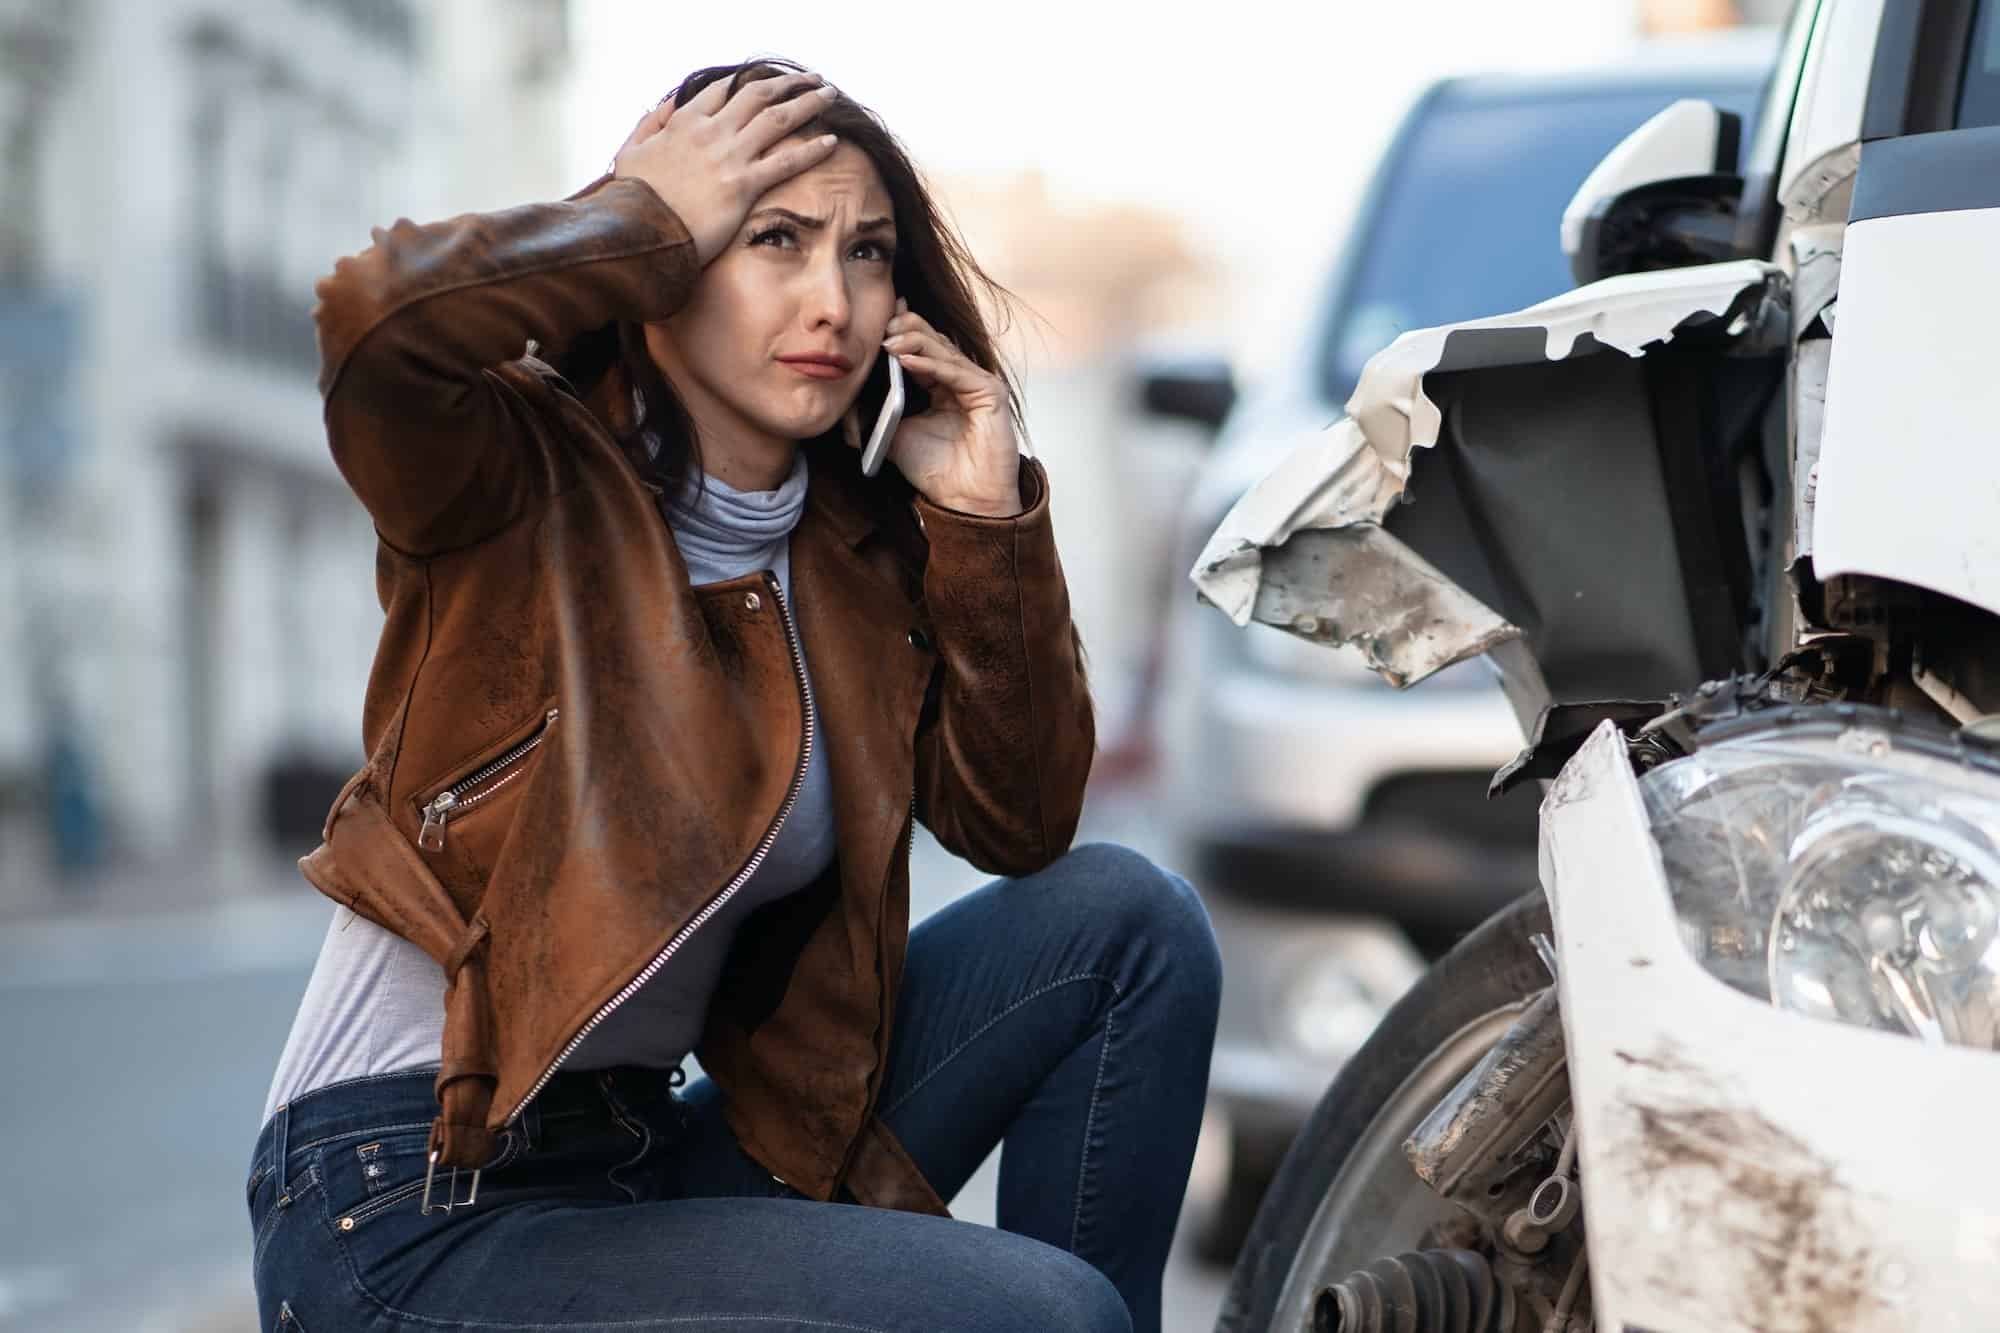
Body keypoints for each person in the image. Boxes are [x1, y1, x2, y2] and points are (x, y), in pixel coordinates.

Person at [245, 59, 1221, 1333]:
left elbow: (1023, 824)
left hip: (646, 1166)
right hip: (409, 1203)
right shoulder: (514, 480)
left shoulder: (852, 559)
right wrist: (636, 212)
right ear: (670, 265)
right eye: (773, 238)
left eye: (867, 254)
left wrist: (983, 521)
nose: (832, 299)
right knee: (1042, 1315)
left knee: (1127, 924)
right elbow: (373, 330)